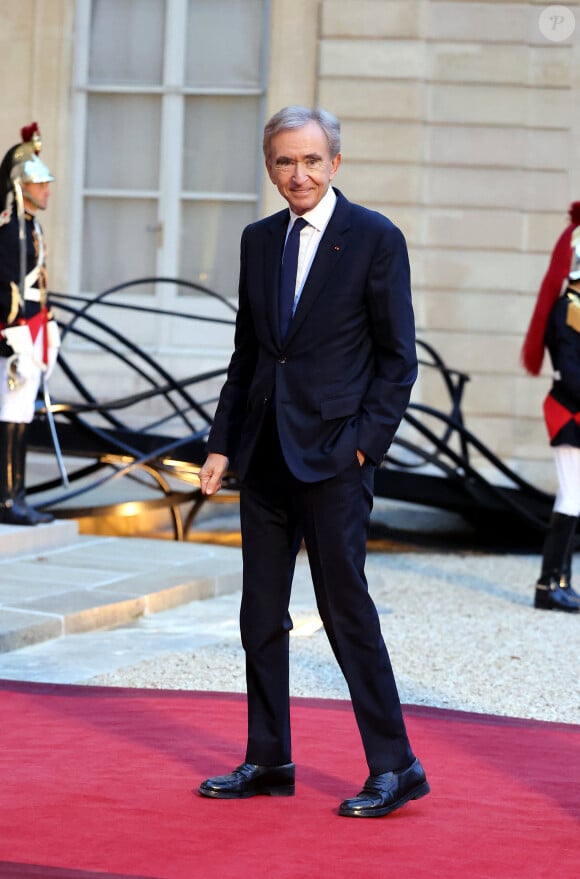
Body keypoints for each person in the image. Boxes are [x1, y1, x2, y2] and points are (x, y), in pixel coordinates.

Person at [196, 106, 429, 817]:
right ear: (269, 165)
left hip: (334, 459)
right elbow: (250, 354)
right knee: (259, 613)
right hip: (264, 456)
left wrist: (363, 444)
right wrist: (221, 441)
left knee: (345, 610)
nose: (297, 174)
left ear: (335, 163)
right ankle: (269, 756)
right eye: (283, 162)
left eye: (311, 161)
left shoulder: (375, 239)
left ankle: (396, 765)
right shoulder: (258, 240)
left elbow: (398, 360)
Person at [521, 202, 580, 613]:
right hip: (569, 409)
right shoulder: (568, 310)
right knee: (573, 497)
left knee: (576, 496)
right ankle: (548, 585)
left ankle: (561, 579)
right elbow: (573, 371)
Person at [0, 123, 60, 526]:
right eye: (39, 183)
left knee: (22, 417)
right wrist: (11, 332)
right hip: (15, 332)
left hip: (34, 327)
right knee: (10, 415)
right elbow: (6, 285)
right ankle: (7, 499)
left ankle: (17, 494)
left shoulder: (31, 226)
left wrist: (47, 322)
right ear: (22, 185)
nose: (46, 190)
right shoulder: (10, 229)